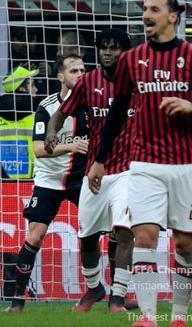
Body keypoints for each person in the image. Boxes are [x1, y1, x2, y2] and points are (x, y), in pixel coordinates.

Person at [87, 0, 192, 327]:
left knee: (185, 243)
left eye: (154, 9)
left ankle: (179, 317)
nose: (146, 15)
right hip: (144, 163)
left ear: (172, 17)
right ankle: (148, 317)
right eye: (144, 9)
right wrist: (100, 159)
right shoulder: (131, 60)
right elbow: (118, 113)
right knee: (145, 236)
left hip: (186, 164)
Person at [45, 28, 137, 313]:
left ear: (125, 52)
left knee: (124, 232)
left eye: (114, 47)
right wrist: (52, 132)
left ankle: (118, 296)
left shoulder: (138, 83)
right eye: (104, 47)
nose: (108, 52)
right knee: (87, 236)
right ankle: (95, 288)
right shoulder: (88, 83)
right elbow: (60, 113)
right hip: (95, 173)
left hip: (128, 170)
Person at [5, 53, 88, 313]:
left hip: (80, 179)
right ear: (60, 77)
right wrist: (71, 145)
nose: (80, 75)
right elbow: (39, 150)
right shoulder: (46, 107)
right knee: (35, 235)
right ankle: (18, 299)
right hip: (49, 180)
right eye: (74, 71)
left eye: (83, 70)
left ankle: (115, 295)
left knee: (105, 231)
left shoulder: (93, 105)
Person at [1, 66, 40, 179]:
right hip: (30, 184)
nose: (36, 89)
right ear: (22, 90)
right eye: (32, 85)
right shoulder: (37, 118)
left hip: (2, 185)